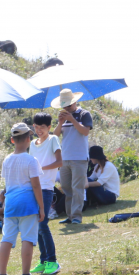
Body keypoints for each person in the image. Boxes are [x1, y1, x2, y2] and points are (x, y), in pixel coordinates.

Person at [0, 123, 47, 275]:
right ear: (28, 139)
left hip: (10, 204)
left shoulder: (7, 160)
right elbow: (36, 185)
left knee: (7, 239)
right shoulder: (31, 160)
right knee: (28, 239)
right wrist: (42, 207)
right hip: (27, 204)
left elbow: (8, 184)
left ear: (12, 140)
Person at [28, 113, 62, 275]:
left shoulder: (53, 139)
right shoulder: (33, 144)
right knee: (36, 226)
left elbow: (59, 162)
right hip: (33, 188)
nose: (39, 130)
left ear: (49, 127)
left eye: (43, 127)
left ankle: (53, 261)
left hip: (46, 188)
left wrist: (41, 168)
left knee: (42, 224)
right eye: (36, 127)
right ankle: (43, 261)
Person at [54, 88, 93, 225]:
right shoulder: (63, 117)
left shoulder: (84, 114)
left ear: (75, 102)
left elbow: (85, 132)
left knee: (78, 188)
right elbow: (55, 136)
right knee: (66, 187)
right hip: (65, 158)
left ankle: (76, 216)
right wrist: (60, 122)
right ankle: (70, 215)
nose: (66, 107)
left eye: (68, 105)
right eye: (64, 105)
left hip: (79, 157)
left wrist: (72, 119)